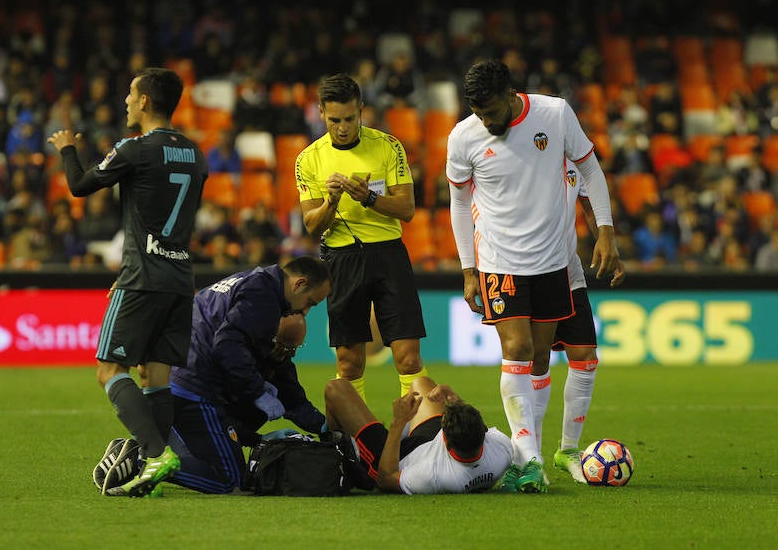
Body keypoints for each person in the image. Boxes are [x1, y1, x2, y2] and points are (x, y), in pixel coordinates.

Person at [446, 59, 620, 493]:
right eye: (478, 113)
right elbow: (457, 204)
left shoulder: (555, 113)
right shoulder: (462, 137)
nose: (485, 121)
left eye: (491, 111)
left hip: (552, 263)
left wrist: (605, 231)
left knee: (541, 358)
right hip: (499, 262)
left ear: (510, 94)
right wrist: (468, 269)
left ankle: (544, 453)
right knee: (518, 348)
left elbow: (591, 170)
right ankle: (530, 457)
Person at [47, 67, 207, 497]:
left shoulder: (135, 149)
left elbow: (81, 186)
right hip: (179, 277)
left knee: (108, 370)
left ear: (146, 102)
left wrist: (67, 150)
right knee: (155, 375)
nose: (125, 102)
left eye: (130, 95)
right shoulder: (195, 154)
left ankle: (155, 454)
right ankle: (150, 467)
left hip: (143, 276)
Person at [295, 73, 428, 404]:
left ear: (362, 111)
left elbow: (407, 209)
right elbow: (312, 225)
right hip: (342, 259)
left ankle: (418, 439)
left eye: (350, 118)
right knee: (349, 363)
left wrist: (369, 198)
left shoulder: (387, 146)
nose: (342, 127)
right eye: (335, 119)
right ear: (321, 113)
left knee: (409, 359)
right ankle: (357, 445)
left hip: (388, 256)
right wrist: (331, 202)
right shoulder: (309, 159)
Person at [164, 256, 331, 494]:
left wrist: (320, 425)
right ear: (299, 284)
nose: (305, 311)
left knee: (255, 391)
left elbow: (284, 383)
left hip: (177, 375)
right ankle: (143, 460)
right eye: (310, 303)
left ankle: (164, 443)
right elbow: (227, 346)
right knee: (229, 480)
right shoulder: (263, 297)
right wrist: (257, 393)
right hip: (195, 386)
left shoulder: (254, 282)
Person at [534, 160, 626, 484]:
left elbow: (589, 204)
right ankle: (531, 454)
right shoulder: (521, 154)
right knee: (537, 360)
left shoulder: (574, 159)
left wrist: (607, 244)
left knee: (585, 356)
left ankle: (568, 450)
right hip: (530, 273)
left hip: (569, 274)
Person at [323, 375, 512, 494]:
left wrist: (399, 422)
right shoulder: (502, 449)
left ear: (445, 442)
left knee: (335, 389)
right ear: (485, 430)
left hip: (395, 458)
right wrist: (456, 403)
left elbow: (385, 479)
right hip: (428, 444)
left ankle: (335, 456)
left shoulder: (432, 475)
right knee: (422, 383)